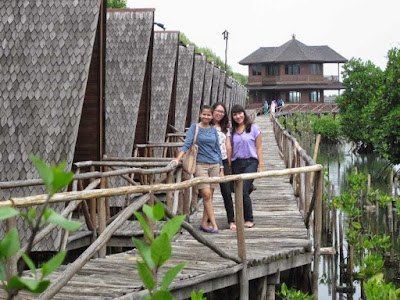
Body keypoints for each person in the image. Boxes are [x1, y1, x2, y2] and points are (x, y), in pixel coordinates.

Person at [173, 105, 223, 233]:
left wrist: (221, 167)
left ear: (212, 116)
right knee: (206, 194)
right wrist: (178, 159)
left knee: (209, 196)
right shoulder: (194, 128)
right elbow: (187, 144)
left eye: (208, 115)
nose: (206, 117)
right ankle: (214, 224)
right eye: (204, 114)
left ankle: (203, 224)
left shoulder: (213, 130)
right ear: (200, 115)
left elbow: (217, 148)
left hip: (214, 164)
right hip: (200, 165)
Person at [230, 104, 264, 228]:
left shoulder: (253, 128)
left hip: (251, 162)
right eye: (235, 114)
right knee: (239, 190)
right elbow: (231, 148)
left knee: (242, 191)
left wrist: (261, 166)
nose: (238, 116)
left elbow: (259, 148)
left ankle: (249, 218)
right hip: (236, 163)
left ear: (244, 114)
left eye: (240, 113)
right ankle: (250, 188)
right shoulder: (232, 131)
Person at [211, 102, 236, 230]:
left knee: (226, 192)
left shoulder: (225, 128)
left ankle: (231, 220)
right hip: (210, 162)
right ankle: (209, 219)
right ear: (213, 111)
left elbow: (228, 145)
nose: (220, 114)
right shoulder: (207, 126)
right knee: (208, 192)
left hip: (224, 161)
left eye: (222, 112)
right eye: (218, 111)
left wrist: (229, 164)